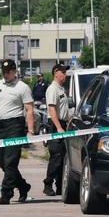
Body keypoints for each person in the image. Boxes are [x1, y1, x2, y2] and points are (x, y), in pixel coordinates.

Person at [0, 59, 35, 205]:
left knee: (10, 161)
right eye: (3, 72)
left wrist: (30, 130)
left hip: (15, 126)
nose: (6, 74)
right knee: (1, 161)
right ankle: (23, 186)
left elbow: (29, 110)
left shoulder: (22, 87)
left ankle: (7, 193)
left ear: (15, 71)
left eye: (8, 72)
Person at [44, 63, 70, 196]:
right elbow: (52, 109)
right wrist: (59, 127)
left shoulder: (61, 89)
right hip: (55, 125)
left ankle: (60, 186)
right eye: (63, 73)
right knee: (56, 156)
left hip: (62, 124)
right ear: (56, 73)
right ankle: (48, 184)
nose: (65, 75)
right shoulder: (53, 89)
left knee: (62, 156)